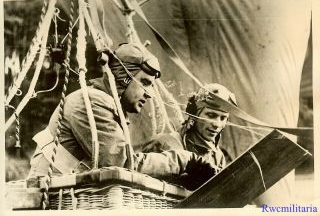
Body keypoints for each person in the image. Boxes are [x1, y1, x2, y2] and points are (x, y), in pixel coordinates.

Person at [27, 43, 219, 187]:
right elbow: (121, 163)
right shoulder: (91, 102)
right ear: (123, 77)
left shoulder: (106, 105)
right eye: (145, 82)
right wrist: (184, 160)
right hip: (52, 200)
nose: (149, 93)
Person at [143, 83, 238, 189]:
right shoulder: (163, 143)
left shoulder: (217, 157)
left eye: (223, 118)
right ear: (194, 115)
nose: (217, 124)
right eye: (211, 115)